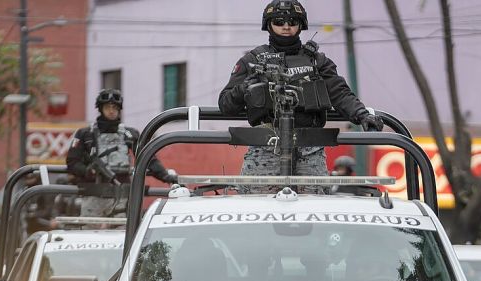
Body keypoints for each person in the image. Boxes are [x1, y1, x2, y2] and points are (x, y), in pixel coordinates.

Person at [218, 0, 383, 178]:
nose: (286, 26)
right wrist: (244, 88)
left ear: (300, 25)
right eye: (279, 22)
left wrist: (362, 114)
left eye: (292, 22)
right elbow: (226, 105)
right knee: (256, 203)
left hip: (310, 149)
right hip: (264, 147)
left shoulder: (317, 62)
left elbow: (340, 93)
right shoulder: (252, 61)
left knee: (314, 204)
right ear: (269, 25)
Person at [65, 89, 179, 218]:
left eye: (115, 107)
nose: (111, 110)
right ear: (101, 109)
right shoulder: (85, 134)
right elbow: (72, 162)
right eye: (107, 107)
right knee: (90, 232)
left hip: (122, 194)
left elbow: (148, 158)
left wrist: (165, 176)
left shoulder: (130, 134)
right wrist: (87, 171)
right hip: (94, 192)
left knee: (122, 232)